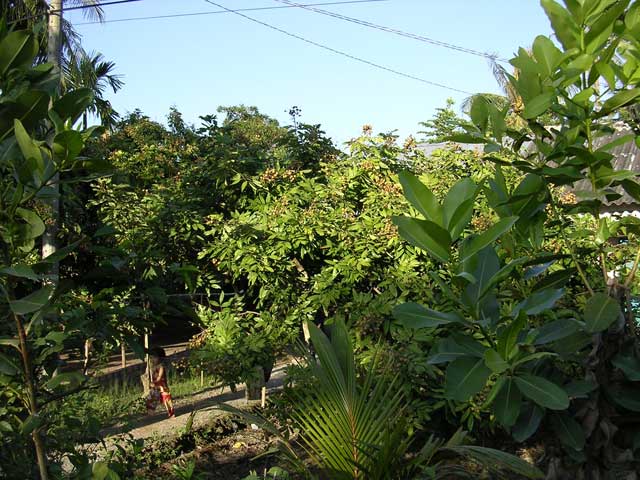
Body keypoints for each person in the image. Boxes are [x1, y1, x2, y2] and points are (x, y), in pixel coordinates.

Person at [145, 347, 175, 418]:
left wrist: (153, 382)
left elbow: (159, 377)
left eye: (154, 357)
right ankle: (150, 413)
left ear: (160, 357)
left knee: (166, 400)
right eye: (151, 357)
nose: (152, 359)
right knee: (150, 399)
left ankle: (171, 413)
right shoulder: (153, 366)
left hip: (162, 385)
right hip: (156, 386)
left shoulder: (161, 366)